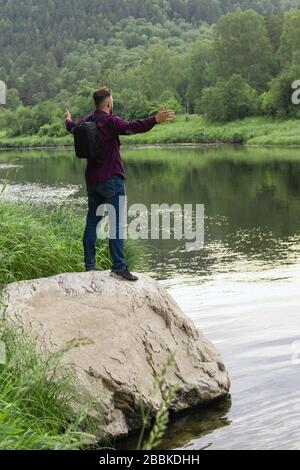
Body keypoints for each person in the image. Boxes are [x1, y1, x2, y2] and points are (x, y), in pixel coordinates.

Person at [65, 86, 174, 281]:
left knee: (92, 222)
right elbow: (133, 126)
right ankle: (119, 267)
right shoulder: (111, 121)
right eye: (112, 100)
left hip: (92, 181)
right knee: (117, 224)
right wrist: (155, 120)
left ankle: (90, 266)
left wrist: (67, 118)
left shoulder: (86, 122)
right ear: (108, 103)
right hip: (112, 180)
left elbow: (71, 126)